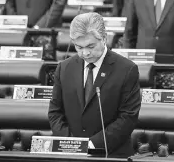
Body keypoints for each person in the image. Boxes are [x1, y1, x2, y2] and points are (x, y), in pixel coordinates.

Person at [48, 12, 141, 158]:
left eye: (90, 46)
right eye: (78, 47)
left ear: (104, 38)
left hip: (110, 154)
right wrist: (72, 144)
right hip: (70, 154)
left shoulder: (127, 69)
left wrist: (91, 145)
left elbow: (127, 118)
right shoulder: (64, 68)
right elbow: (55, 113)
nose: (85, 53)